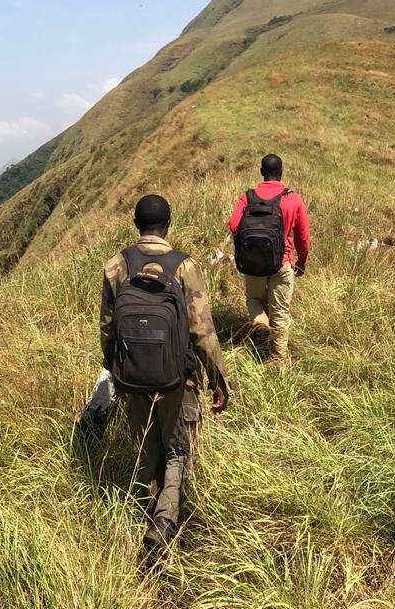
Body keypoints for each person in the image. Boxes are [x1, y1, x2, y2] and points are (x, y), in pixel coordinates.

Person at [99, 194, 229, 553]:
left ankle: (138, 512)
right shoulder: (184, 266)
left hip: (132, 375)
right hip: (177, 378)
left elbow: (107, 329)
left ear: (135, 224)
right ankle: (164, 522)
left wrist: (117, 375)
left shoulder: (116, 265)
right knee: (177, 452)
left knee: (145, 446)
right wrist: (217, 376)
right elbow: (202, 329)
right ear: (168, 224)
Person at [228, 154, 310, 367]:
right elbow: (302, 236)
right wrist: (302, 261)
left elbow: (234, 225)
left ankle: (260, 324)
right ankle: (279, 359)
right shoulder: (294, 199)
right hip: (282, 262)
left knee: (254, 300)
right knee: (280, 312)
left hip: (253, 263)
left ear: (261, 172)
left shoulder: (248, 197)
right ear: (281, 173)